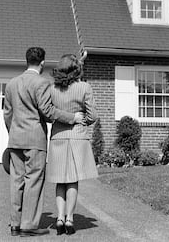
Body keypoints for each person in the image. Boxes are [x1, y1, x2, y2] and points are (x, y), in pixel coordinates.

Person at [4, 47, 83, 237]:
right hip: (35, 140)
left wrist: (13, 132)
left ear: (26, 61)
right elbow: (48, 112)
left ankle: (15, 224)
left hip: (15, 139)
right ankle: (28, 226)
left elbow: (7, 114)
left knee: (16, 181)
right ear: (42, 63)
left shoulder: (11, 84)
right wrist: (72, 117)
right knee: (34, 181)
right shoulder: (42, 83)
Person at [46, 54, 98, 235]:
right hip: (77, 137)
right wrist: (81, 121)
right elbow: (93, 116)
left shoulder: (52, 89)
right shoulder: (84, 87)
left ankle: (59, 218)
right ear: (76, 69)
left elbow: (48, 113)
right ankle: (69, 219)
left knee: (60, 180)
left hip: (58, 136)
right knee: (72, 180)